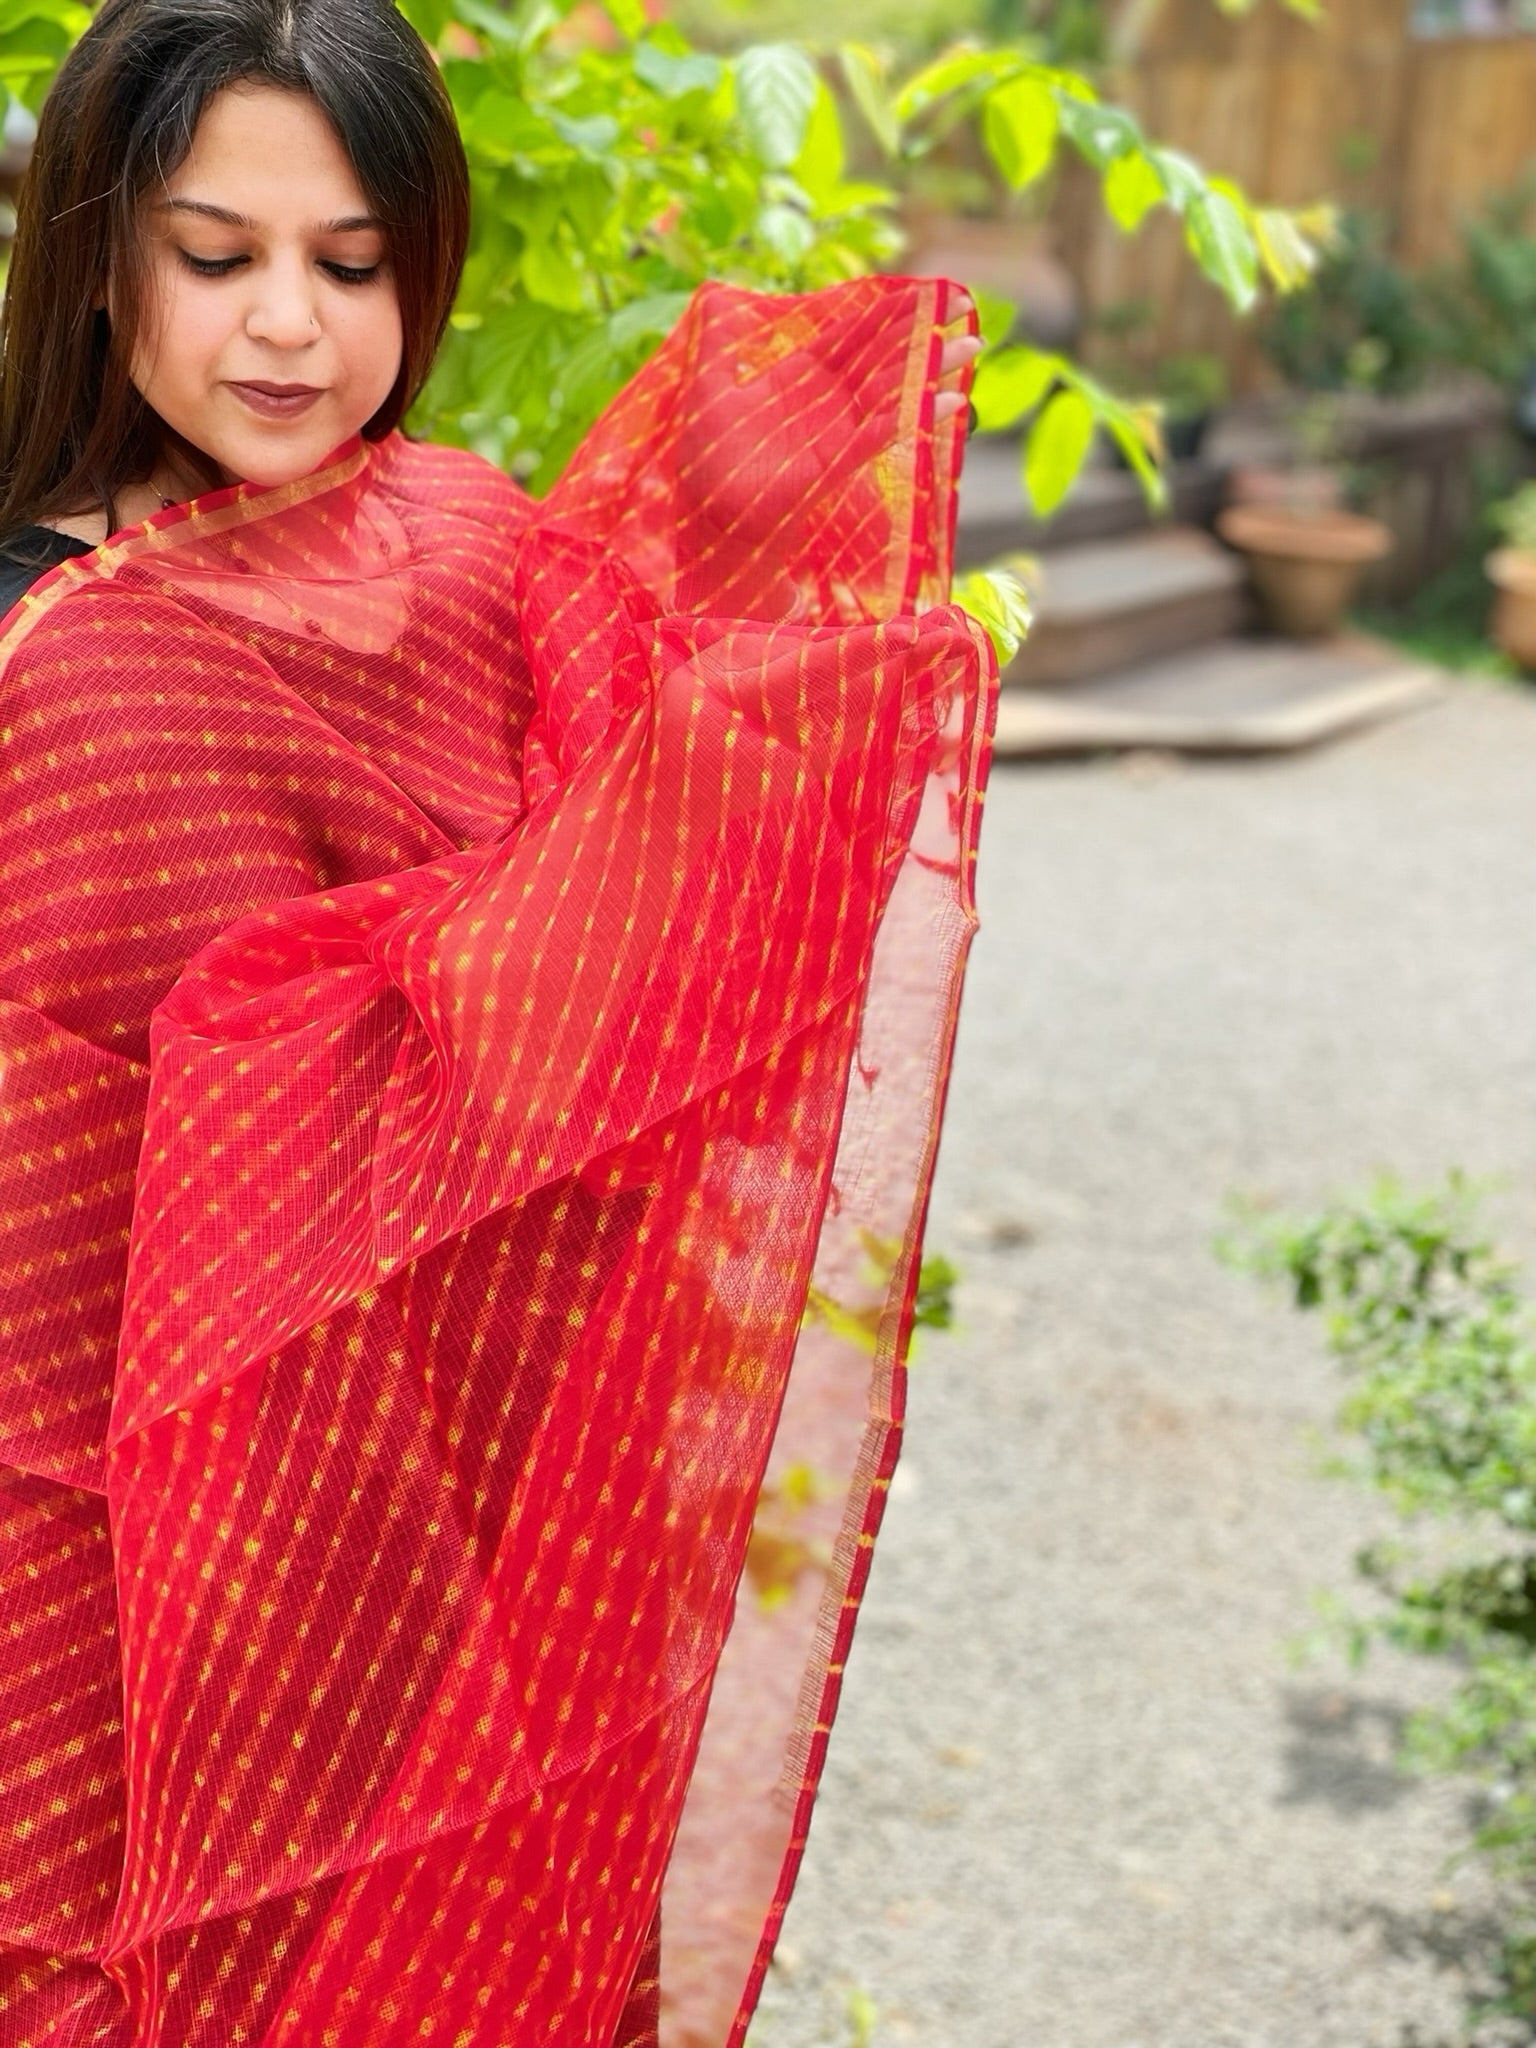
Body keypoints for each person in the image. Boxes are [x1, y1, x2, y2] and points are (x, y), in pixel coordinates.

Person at [0, 0, 994, 2043]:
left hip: (450, 1493)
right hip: (89, 1496)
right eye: (218, 256)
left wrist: (823, 699)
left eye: (354, 263)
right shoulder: (42, 643)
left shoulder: (477, 553)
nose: (291, 325)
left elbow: (635, 963)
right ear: (97, 259)